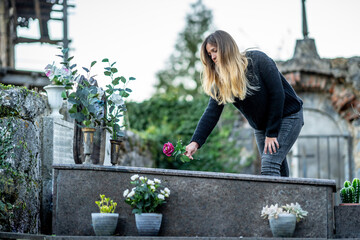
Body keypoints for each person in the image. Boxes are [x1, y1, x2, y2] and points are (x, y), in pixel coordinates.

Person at [184, 30, 304, 177]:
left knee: (269, 166)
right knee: (277, 169)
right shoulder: (222, 81)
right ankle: (288, 200)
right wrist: (195, 142)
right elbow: (212, 112)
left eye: (215, 51)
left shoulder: (257, 60)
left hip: (288, 116)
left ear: (226, 48)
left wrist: (272, 133)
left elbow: (277, 94)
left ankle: (271, 201)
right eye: (210, 54)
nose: (213, 57)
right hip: (261, 127)